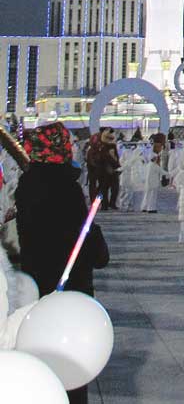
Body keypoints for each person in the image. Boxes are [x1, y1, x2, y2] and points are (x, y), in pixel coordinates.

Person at [15, 122, 110, 404]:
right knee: (71, 368)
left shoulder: (28, 183)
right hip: (69, 289)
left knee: (45, 361)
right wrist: (98, 245)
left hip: (38, 285)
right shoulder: (64, 186)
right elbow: (80, 237)